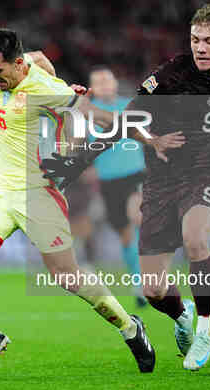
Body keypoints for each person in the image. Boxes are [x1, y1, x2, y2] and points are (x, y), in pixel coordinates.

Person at [40, 3, 210, 371]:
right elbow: (123, 122)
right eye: (195, 39)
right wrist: (79, 160)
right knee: (153, 290)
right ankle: (182, 318)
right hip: (161, 183)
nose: (201, 48)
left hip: (202, 176)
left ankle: (206, 329)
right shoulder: (168, 78)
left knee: (196, 239)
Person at [0, 28, 155, 372]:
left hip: (39, 194)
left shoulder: (46, 91)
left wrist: (143, 135)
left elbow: (96, 114)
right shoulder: (16, 67)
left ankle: (130, 328)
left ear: (16, 64)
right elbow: (41, 56)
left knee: (67, 275)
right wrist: (55, 74)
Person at [88, 66, 147, 307]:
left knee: (137, 217)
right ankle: (139, 282)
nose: (103, 85)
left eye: (107, 81)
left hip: (135, 174)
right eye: (98, 82)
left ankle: (149, 278)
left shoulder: (130, 106)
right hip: (108, 180)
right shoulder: (87, 113)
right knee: (125, 236)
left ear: (114, 84)